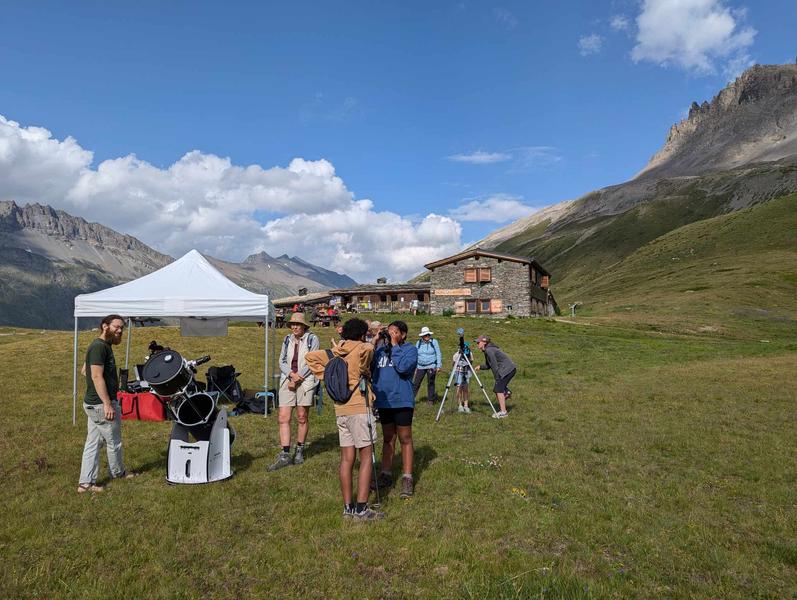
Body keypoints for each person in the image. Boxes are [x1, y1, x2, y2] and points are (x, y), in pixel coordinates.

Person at [306, 318, 383, 521]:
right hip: (359, 406)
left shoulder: (334, 352)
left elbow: (310, 357)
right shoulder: (362, 349)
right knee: (366, 456)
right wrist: (372, 335)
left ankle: (348, 508)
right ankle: (361, 508)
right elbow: (368, 350)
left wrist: (328, 376)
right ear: (361, 334)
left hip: (341, 408)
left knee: (347, 459)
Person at [77, 315, 138, 493]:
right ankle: (118, 473)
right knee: (114, 442)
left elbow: (84, 371)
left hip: (93, 404)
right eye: (117, 327)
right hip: (100, 405)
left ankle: (85, 484)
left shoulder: (103, 346)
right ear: (105, 326)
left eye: (122, 328)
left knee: (93, 443)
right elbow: (95, 376)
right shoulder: (98, 347)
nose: (120, 331)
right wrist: (107, 404)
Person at [372, 320, 418, 499]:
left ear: (403, 335)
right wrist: (375, 341)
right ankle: (386, 474)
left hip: (402, 400)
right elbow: (367, 365)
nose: (391, 334)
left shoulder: (410, 350)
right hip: (384, 401)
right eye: (388, 332)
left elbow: (404, 368)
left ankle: (407, 477)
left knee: (405, 437)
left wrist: (394, 346)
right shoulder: (379, 351)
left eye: (395, 332)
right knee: (388, 438)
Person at [267, 312, 320, 471]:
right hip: (287, 379)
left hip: (305, 381)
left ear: (304, 326)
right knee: (283, 417)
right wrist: (291, 375)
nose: (295, 327)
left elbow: (313, 361)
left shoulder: (312, 339)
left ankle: (299, 449)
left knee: (302, 416)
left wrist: (298, 377)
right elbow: (281, 361)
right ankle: (285, 453)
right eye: (292, 325)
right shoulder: (287, 339)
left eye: (298, 324)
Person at [473, 334, 517, 418]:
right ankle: (506, 393)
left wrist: (497, 379)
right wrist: (480, 367)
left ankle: (503, 412)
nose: (477, 343)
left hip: (507, 370)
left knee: (498, 390)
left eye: (479, 342)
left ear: (484, 342)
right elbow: (488, 365)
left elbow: (494, 366)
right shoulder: (487, 350)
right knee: (498, 389)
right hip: (509, 369)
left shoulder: (489, 350)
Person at [412, 326, 442, 405]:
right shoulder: (418, 343)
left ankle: (430, 400)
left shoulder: (434, 342)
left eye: (428, 334)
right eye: (425, 335)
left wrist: (438, 365)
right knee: (416, 383)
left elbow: (438, 353)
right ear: (422, 336)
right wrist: (415, 367)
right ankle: (411, 400)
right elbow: (415, 355)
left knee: (431, 382)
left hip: (431, 366)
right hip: (420, 366)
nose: (427, 336)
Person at [452, 341, 473, 413]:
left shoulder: (470, 354)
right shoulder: (456, 355)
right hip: (459, 372)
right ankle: (460, 405)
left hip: (466, 372)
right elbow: (454, 364)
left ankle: (466, 405)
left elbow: (471, 362)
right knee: (459, 389)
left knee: (466, 389)